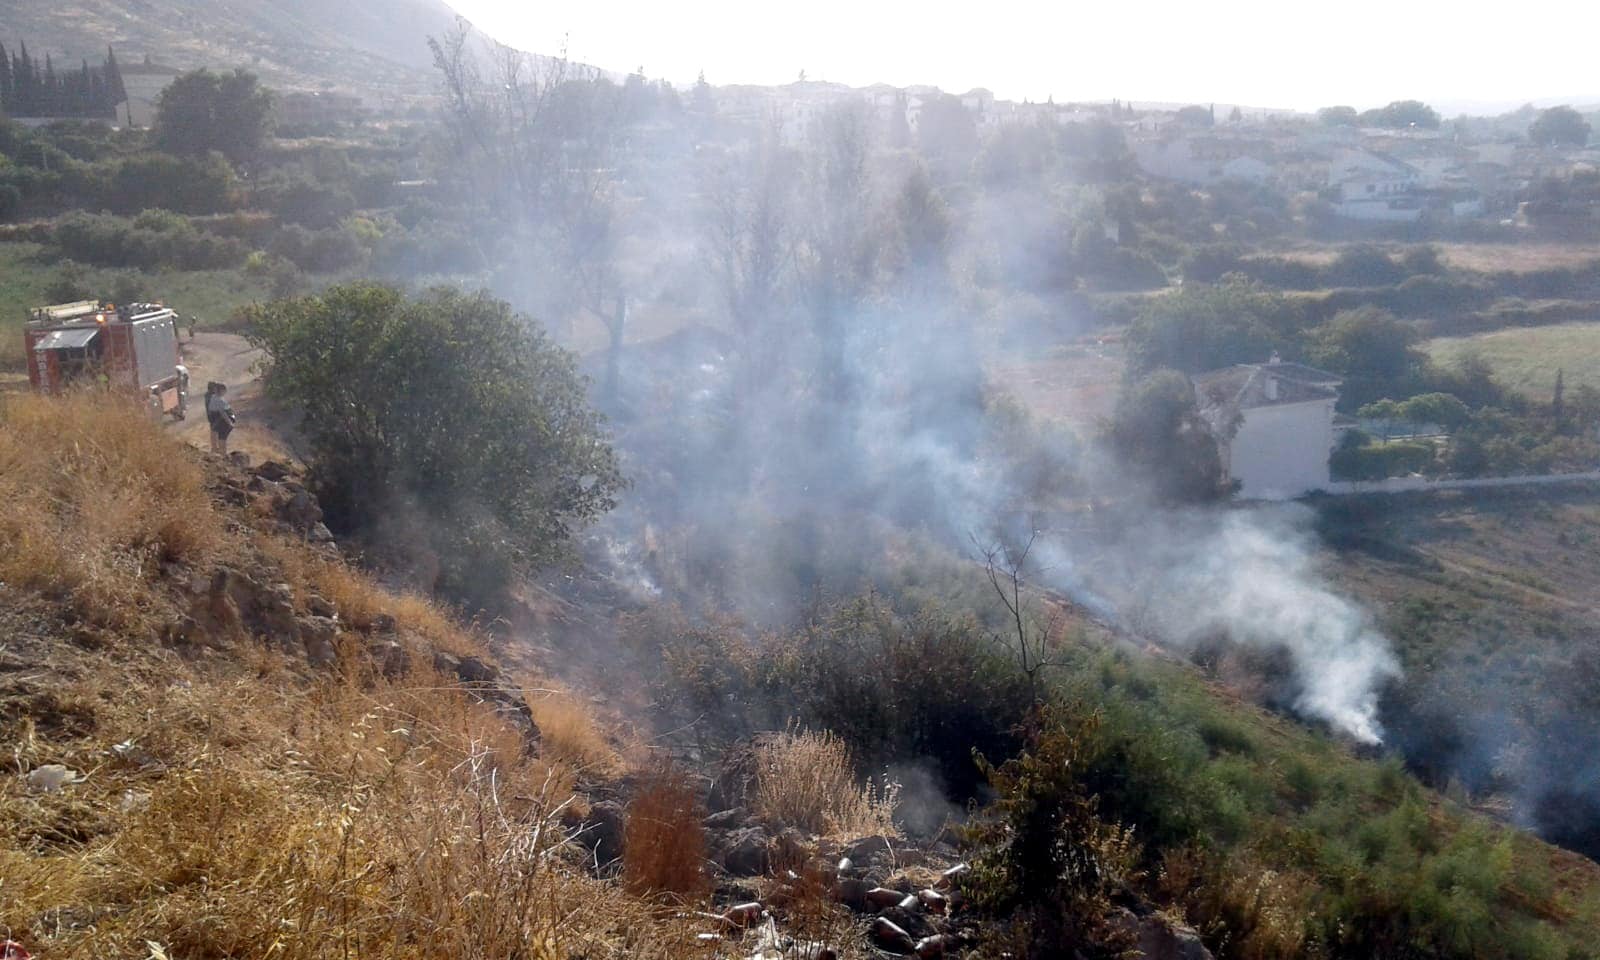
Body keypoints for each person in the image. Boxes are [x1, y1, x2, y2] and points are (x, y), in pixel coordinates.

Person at [205, 381, 236, 455]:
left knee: (220, 437)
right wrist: (230, 423)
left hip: (218, 421)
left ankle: (217, 451)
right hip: (222, 422)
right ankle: (223, 454)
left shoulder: (213, 397)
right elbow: (223, 413)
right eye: (224, 390)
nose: (225, 391)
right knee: (222, 438)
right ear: (221, 390)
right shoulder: (219, 400)